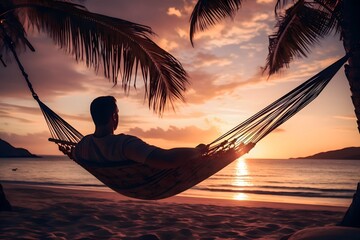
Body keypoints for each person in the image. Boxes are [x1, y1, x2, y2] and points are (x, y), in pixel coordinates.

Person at [71, 96, 207, 168]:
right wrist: (197, 151)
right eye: (117, 113)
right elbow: (166, 159)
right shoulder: (124, 144)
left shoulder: (83, 145)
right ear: (114, 116)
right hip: (142, 184)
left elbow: (74, 155)